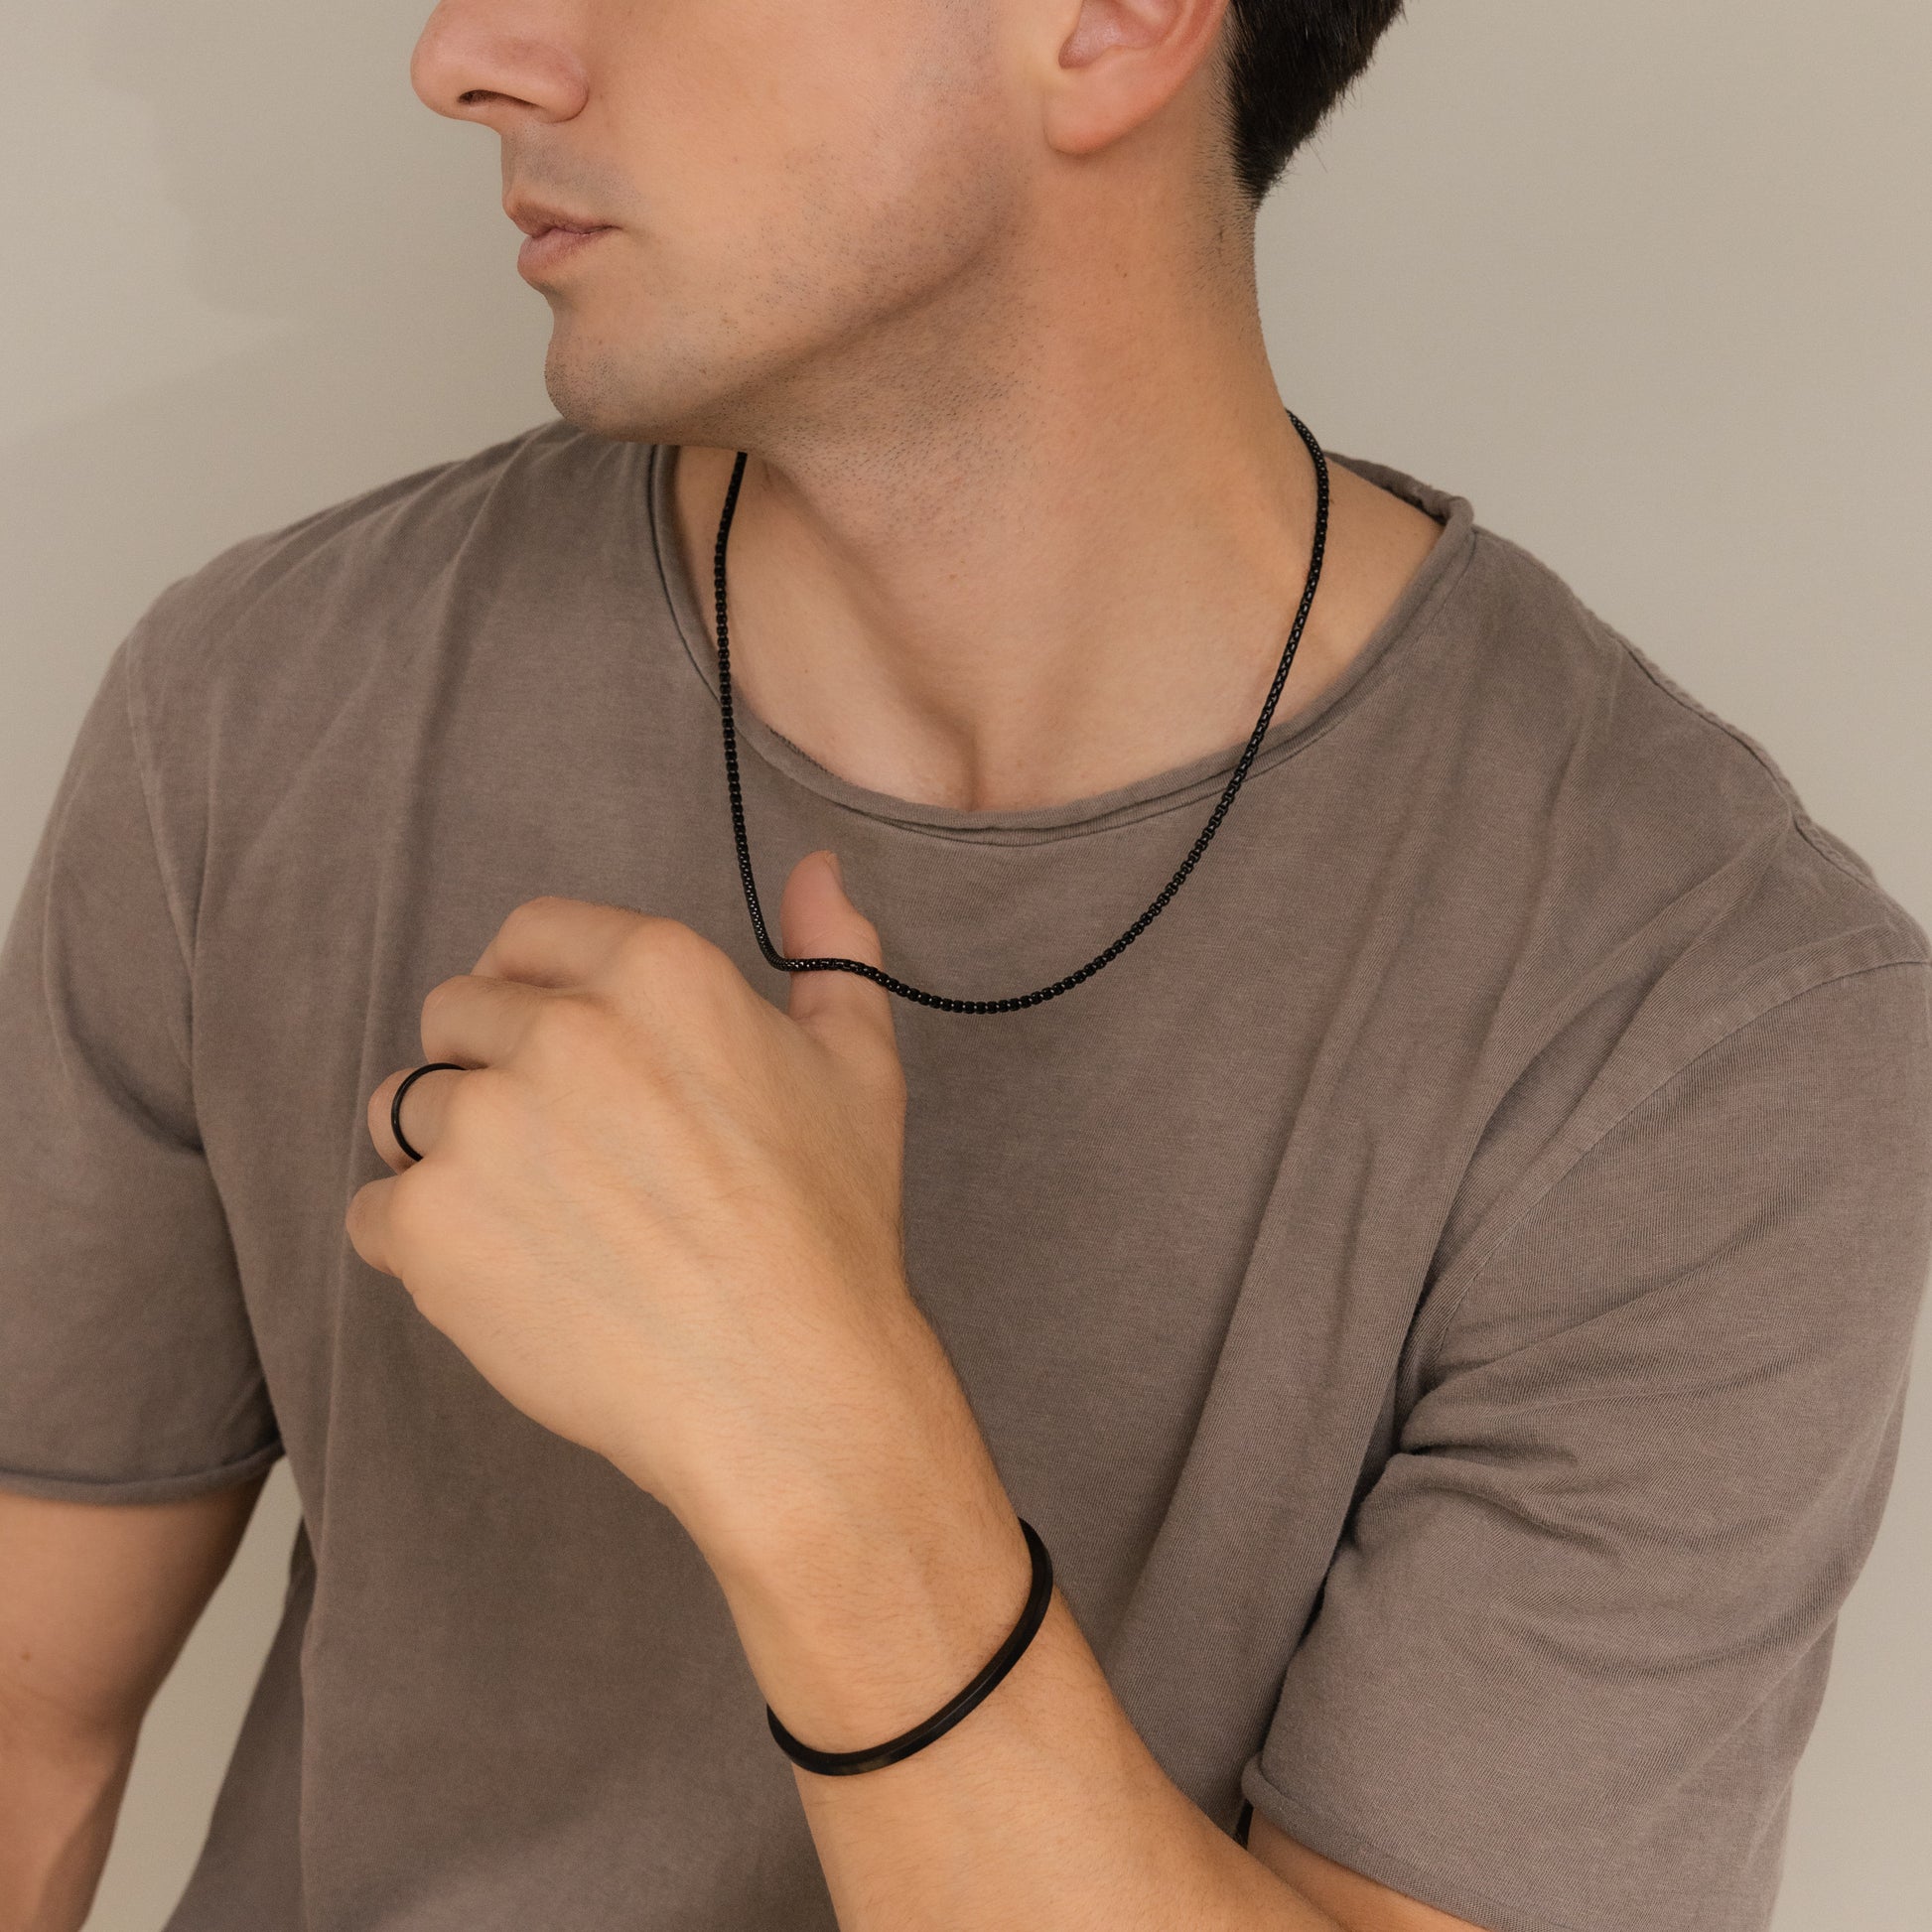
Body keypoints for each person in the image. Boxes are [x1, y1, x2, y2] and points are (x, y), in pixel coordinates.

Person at [2, 0, 1928, 1927]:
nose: (463, 55)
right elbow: (28, 1722)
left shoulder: (1707, 1037)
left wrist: (819, 1448)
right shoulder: (259, 709)